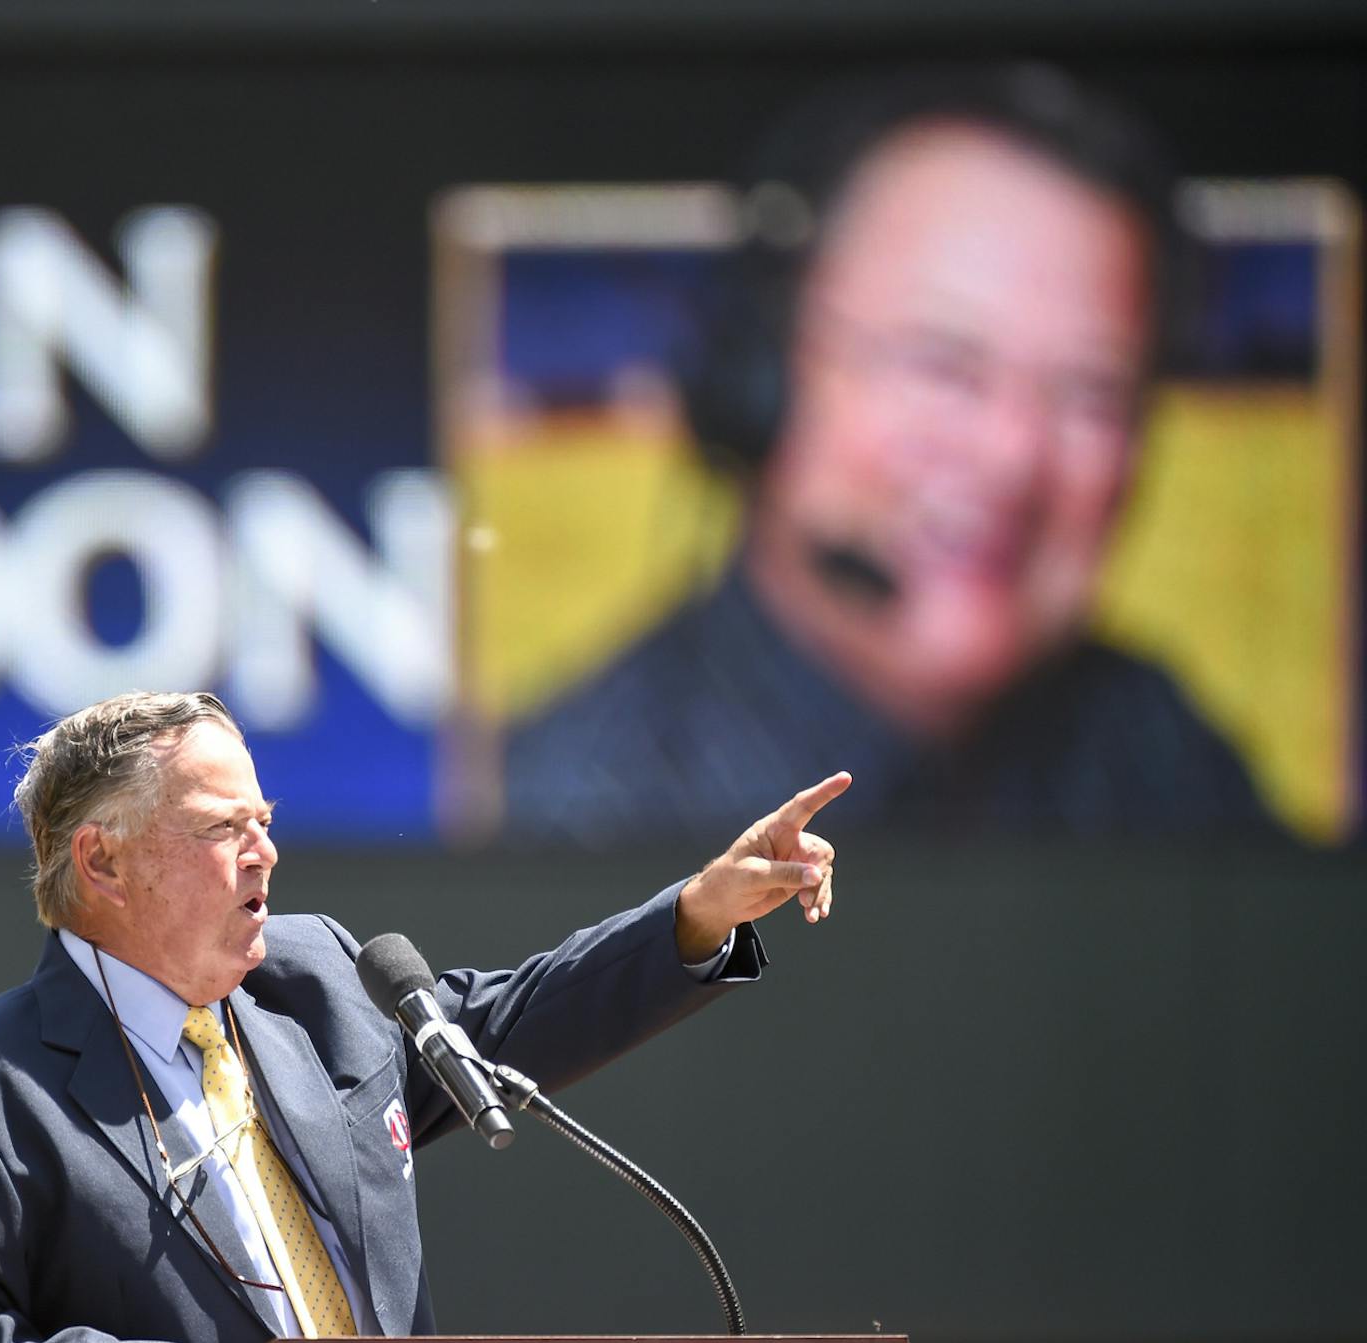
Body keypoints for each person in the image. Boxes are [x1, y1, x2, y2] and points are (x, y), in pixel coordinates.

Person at [0, 690, 845, 1343]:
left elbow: (505, 1027)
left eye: (264, 821)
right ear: (102, 860)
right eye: (220, 827)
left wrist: (701, 911)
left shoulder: (315, 981)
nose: (264, 851)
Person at [505, 67, 1272, 843]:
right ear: (763, 372)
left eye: (1091, 394)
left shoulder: (1161, 753)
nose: (1013, 455)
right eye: (942, 366)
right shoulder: (580, 814)